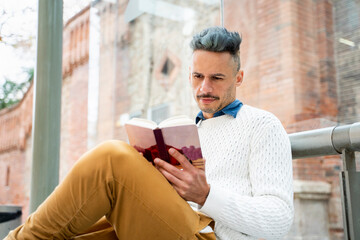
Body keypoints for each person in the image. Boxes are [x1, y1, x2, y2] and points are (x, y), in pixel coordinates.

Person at [6, 26, 293, 240]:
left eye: (217, 78)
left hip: (209, 235)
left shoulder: (262, 125)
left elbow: (280, 221)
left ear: (238, 78)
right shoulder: (189, 131)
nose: (204, 88)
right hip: (170, 224)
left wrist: (206, 195)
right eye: (197, 76)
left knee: (112, 157)